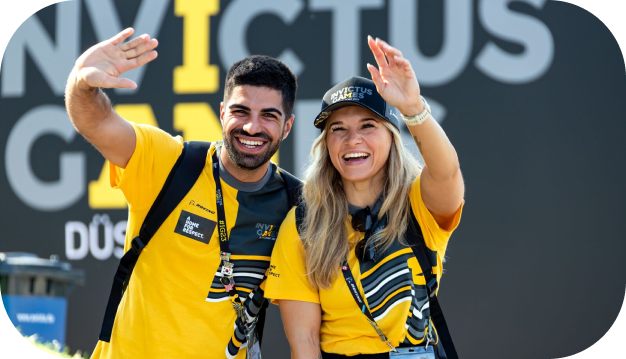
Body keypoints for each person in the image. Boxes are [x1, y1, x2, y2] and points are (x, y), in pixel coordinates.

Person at [64, 27, 299, 358]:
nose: (251, 127)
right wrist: (82, 84)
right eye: (240, 111)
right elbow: (97, 123)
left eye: (269, 116)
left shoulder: (296, 204)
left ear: (287, 126)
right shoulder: (169, 163)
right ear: (222, 113)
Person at [264, 36, 465, 358]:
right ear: (325, 144)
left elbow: (446, 173)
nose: (352, 140)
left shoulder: (417, 205)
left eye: (368, 125)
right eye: (338, 129)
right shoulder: (302, 223)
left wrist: (413, 108)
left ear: (392, 136)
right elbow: (304, 342)